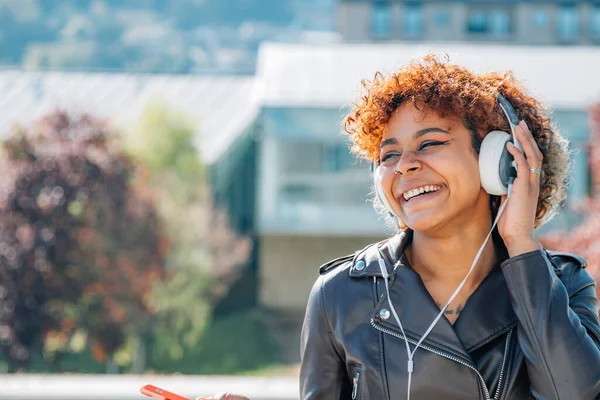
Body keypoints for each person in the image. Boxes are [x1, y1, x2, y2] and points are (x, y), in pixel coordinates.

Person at [198, 56, 600, 400]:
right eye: (389, 154)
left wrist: (520, 243)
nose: (404, 164)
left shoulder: (561, 283)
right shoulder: (340, 294)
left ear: (501, 162)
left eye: (429, 144)